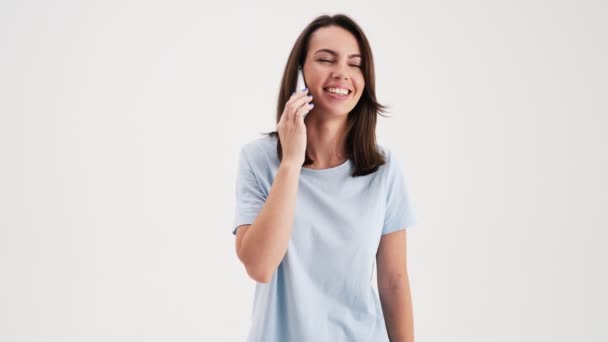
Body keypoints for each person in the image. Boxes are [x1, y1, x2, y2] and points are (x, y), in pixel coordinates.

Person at [231, 13, 417, 342]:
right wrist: (290, 162)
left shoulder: (384, 170)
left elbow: (394, 282)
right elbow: (259, 266)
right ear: (299, 73)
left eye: (355, 63)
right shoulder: (258, 160)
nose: (341, 73)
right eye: (325, 59)